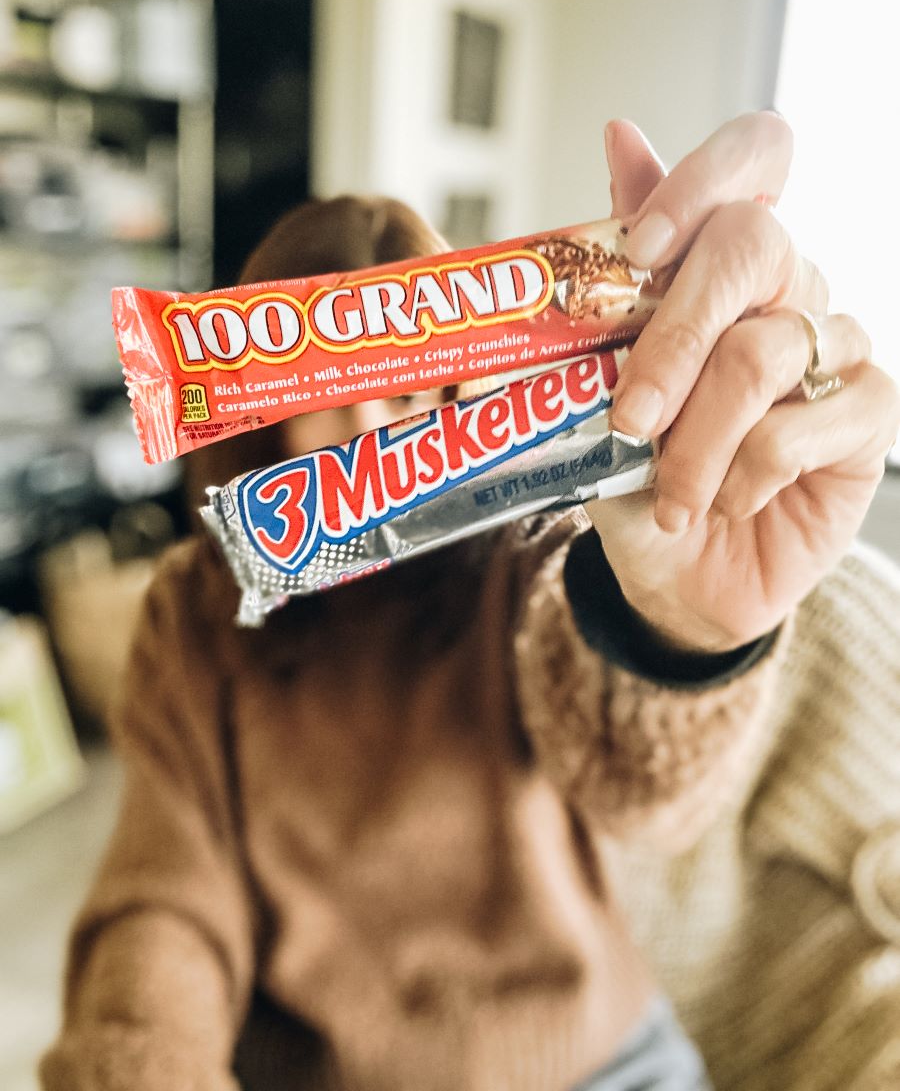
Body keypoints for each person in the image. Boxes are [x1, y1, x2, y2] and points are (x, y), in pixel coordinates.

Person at [40, 113, 900, 1091]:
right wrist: (137, 1062)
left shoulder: (523, 552)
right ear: (263, 400)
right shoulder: (193, 616)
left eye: (405, 393)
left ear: (457, 395)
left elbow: (635, 784)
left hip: (604, 1060)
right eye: (331, 384)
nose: (369, 423)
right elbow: (166, 907)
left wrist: (688, 632)